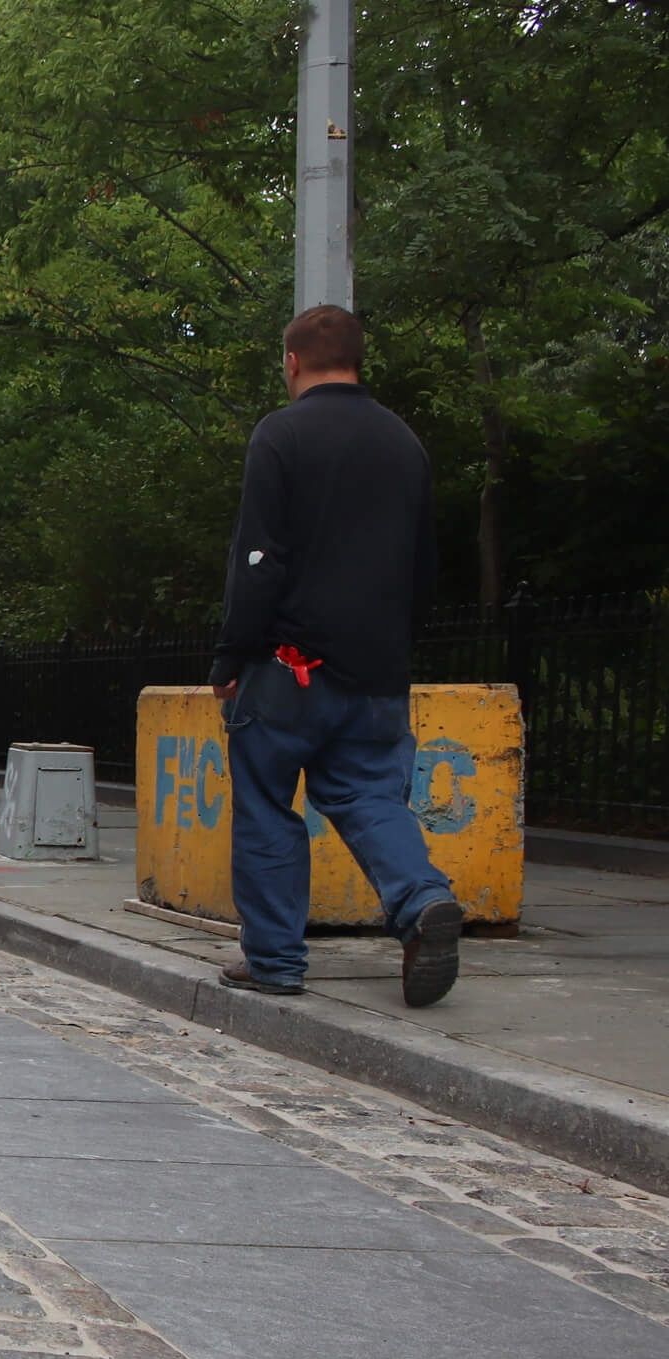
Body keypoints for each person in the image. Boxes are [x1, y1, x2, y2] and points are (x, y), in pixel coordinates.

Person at [209, 304, 461, 1007]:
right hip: (378, 668)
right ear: (360, 359)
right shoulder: (403, 442)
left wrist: (231, 657)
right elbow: (424, 564)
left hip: (290, 666)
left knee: (265, 803)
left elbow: (259, 559)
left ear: (290, 362)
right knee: (369, 794)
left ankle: (276, 961)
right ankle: (421, 901)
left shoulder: (281, 435)